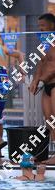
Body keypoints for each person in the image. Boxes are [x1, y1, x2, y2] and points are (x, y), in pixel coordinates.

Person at [30, 13, 55, 161]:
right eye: (39, 26)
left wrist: (42, 80)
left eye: (43, 26)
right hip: (46, 85)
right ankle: (53, 152)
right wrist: (35, 80)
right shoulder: (43, 44)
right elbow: (40, 64)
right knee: (49, 120)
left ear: (52, 25)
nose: (40, 29)